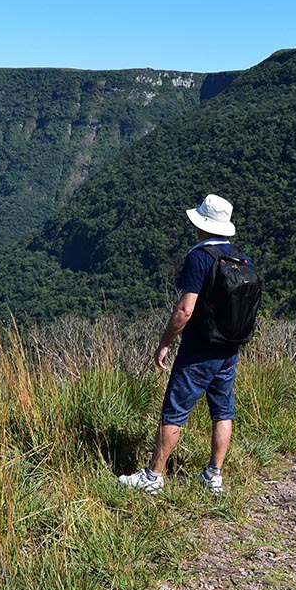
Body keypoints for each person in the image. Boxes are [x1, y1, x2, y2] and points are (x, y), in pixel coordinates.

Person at [118, 194, 252, 495]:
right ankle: (213, 476)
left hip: (199, 349)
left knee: (175, 411)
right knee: (222, 410)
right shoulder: (240, 257)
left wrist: (164, 343)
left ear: (202, 226)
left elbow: (185, 310)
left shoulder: (199, 257)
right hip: (229, 348)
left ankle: (153, 477)